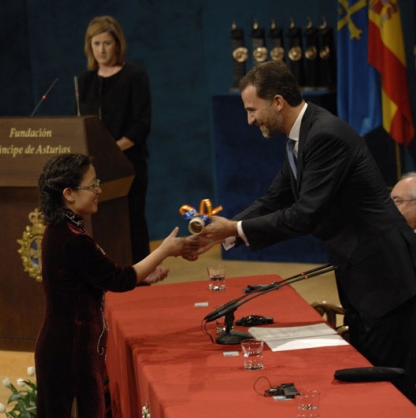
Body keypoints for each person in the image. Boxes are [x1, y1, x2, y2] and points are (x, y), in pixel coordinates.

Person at [192, 61, 416, 403]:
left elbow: (305, 214)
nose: (250, 119)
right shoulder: (302, 136)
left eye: (253, 109)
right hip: (360, 275)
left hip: (384, 279)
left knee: (391, 384)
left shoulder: (325, 135)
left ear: (278, 101)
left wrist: (237, 227)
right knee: (369, 372)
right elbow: (274, 198)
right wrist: (224, 233)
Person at [34, 153, 192, 418]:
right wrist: (165, 250)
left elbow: (96, 277)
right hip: (70, 353)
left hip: (66, 347)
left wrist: (146, 274)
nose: (99, 190)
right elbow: (119, 280)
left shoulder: (64, 229)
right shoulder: (71, 239)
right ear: (69, 193)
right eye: (92, 185)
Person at [78, 15, 152, 264]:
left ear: (117, 45)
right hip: (93, 168)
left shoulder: (135, 76)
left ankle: (141, 275)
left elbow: (142, 124)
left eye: (107, 43)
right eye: (96, 44)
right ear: (90, 46)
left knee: (132, 220)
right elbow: (78, 123)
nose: (101, 50)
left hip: (128, 163)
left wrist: (112, 150)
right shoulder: (85, 81)